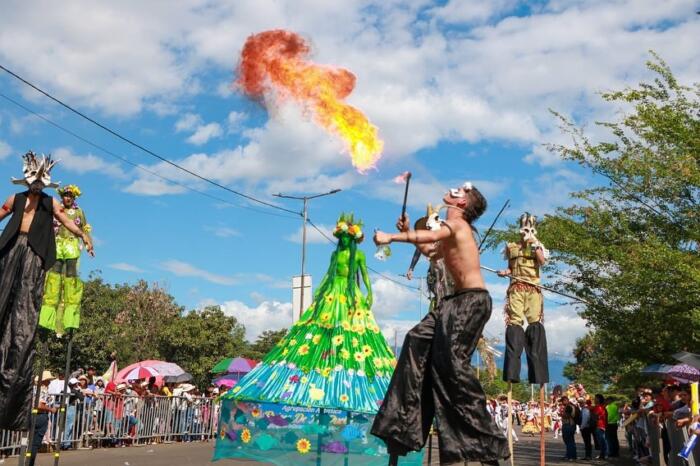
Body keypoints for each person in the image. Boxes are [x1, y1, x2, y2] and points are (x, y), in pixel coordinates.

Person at [371, 182, 509, 465]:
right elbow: (432, 251)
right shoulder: (449, 232)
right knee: (415, 339)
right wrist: (409, 228)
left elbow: (428, 235)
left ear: (462, 204)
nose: (455, 189)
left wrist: (392, 237)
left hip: (471, 302)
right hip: (451, 303)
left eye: (462, 190)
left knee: (452, 367)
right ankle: (403, 425)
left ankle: (486, 439)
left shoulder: (458, 226)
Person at [0, 152, 94, 430]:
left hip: (33, 251)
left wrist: (83, 236)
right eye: (34, 181)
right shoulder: (15, 199)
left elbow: (66, 220)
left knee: (26, 304)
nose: (37, 185)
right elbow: (2, 213)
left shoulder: (49, 203)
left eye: (42, 181)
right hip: (10, 248)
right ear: (28, 181)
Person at [498, 212, 549, 385]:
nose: (526, 232)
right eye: (524, 229)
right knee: (514, 323)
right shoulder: (512, 247)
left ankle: (538, 374)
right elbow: (511, 268)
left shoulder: (537, 246)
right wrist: (505, 272)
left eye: (530, 229)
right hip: (516, 289)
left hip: (533, 289)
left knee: (535, 325)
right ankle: (512, 372)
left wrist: (535, 244)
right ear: (520, 230)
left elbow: (542, 262)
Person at [39, 184, 93, 335]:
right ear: (62, 196)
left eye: (70, 196)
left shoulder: (79, 212)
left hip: (71, 246)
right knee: (54, 278)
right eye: (65, 195)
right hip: (57, 245)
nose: (67, 198)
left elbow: (84, 230)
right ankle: (47, 320)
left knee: (71, 278)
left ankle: (69, 320)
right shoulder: (57, 208)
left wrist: (89, 244)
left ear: (74, 197)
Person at [28, 371, 58, 466]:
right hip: (40, 416)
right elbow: (39, 405)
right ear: (44, 381)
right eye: (48, 381)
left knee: (32, 442)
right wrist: (51, 409)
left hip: (33, 415)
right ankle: (30, 463)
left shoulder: (34, 389)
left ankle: (29, 462)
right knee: (35, 443)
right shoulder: (42, 390)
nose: (49, 383)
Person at [592, 394, 608, 459]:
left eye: (595, 398)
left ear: (598, 399)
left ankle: (605, 454)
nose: (594, 399)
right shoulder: (601, 406)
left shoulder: (599, 407)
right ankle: (603, 454)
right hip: (601, 425)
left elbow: (595, 416)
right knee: (602, 441)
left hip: (600, 426)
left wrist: (593, 415)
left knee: (602, 441)